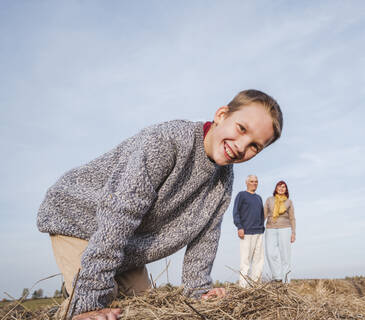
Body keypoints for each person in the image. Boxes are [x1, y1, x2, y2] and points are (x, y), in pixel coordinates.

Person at [37, 89, 283, 320]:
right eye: (241, 128)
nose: (241, 146)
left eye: (254, 146)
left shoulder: (222, 182)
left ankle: (70, 297)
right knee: (100, 301)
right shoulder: (167, 142)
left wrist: (198, 290)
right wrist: (89, 301)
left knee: (145, 306)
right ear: (221, 115)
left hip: (125, 241)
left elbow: (206, 236)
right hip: (79, 217)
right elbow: (119, 215)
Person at [233, 175, 265, 288]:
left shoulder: (259, 198)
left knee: (259, 261)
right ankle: (243, 287)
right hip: (246, 232)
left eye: (256, 181)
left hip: (259, 232)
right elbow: (235, 212)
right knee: (245, 262)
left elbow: (262, 214)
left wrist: (262, 228)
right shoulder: (241, 195)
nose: (254, 183)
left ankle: (256, 286)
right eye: (252, 181)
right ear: (247, 182)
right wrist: (239, 227)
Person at [264, 180, 296, 283]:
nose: (281, 188)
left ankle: (286, 281)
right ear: (276, 188)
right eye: (279, 186)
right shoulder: (269, 200)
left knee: (285, 255)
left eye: (283, 187)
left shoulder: (289, 202)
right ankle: (277, 277)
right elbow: (264, 214)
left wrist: (293, 232)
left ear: (286, 190)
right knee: (270, 253)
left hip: (285, 229)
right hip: (270, 228)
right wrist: (258, 226)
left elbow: (292, 218)